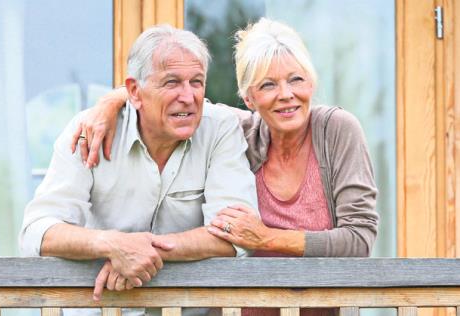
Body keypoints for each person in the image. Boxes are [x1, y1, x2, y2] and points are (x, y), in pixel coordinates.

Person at [72, 19, 379, 316]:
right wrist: (109, 103)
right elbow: (170, 100)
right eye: (269, 85)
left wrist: (267, 238)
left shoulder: (337, 130)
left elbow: (358, 239)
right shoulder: (236, 130)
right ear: (249, 98)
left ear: (311, 82)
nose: (286, 94)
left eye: (296, 79)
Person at [19, 24, 258, 316]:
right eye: (172, 83)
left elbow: (236, 236)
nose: (188, 96)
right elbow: (36, 232)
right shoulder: (88, 131)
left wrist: (144, 250)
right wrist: (112, 244)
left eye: (196, 82)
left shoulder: (220, 128)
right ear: (134, 91)